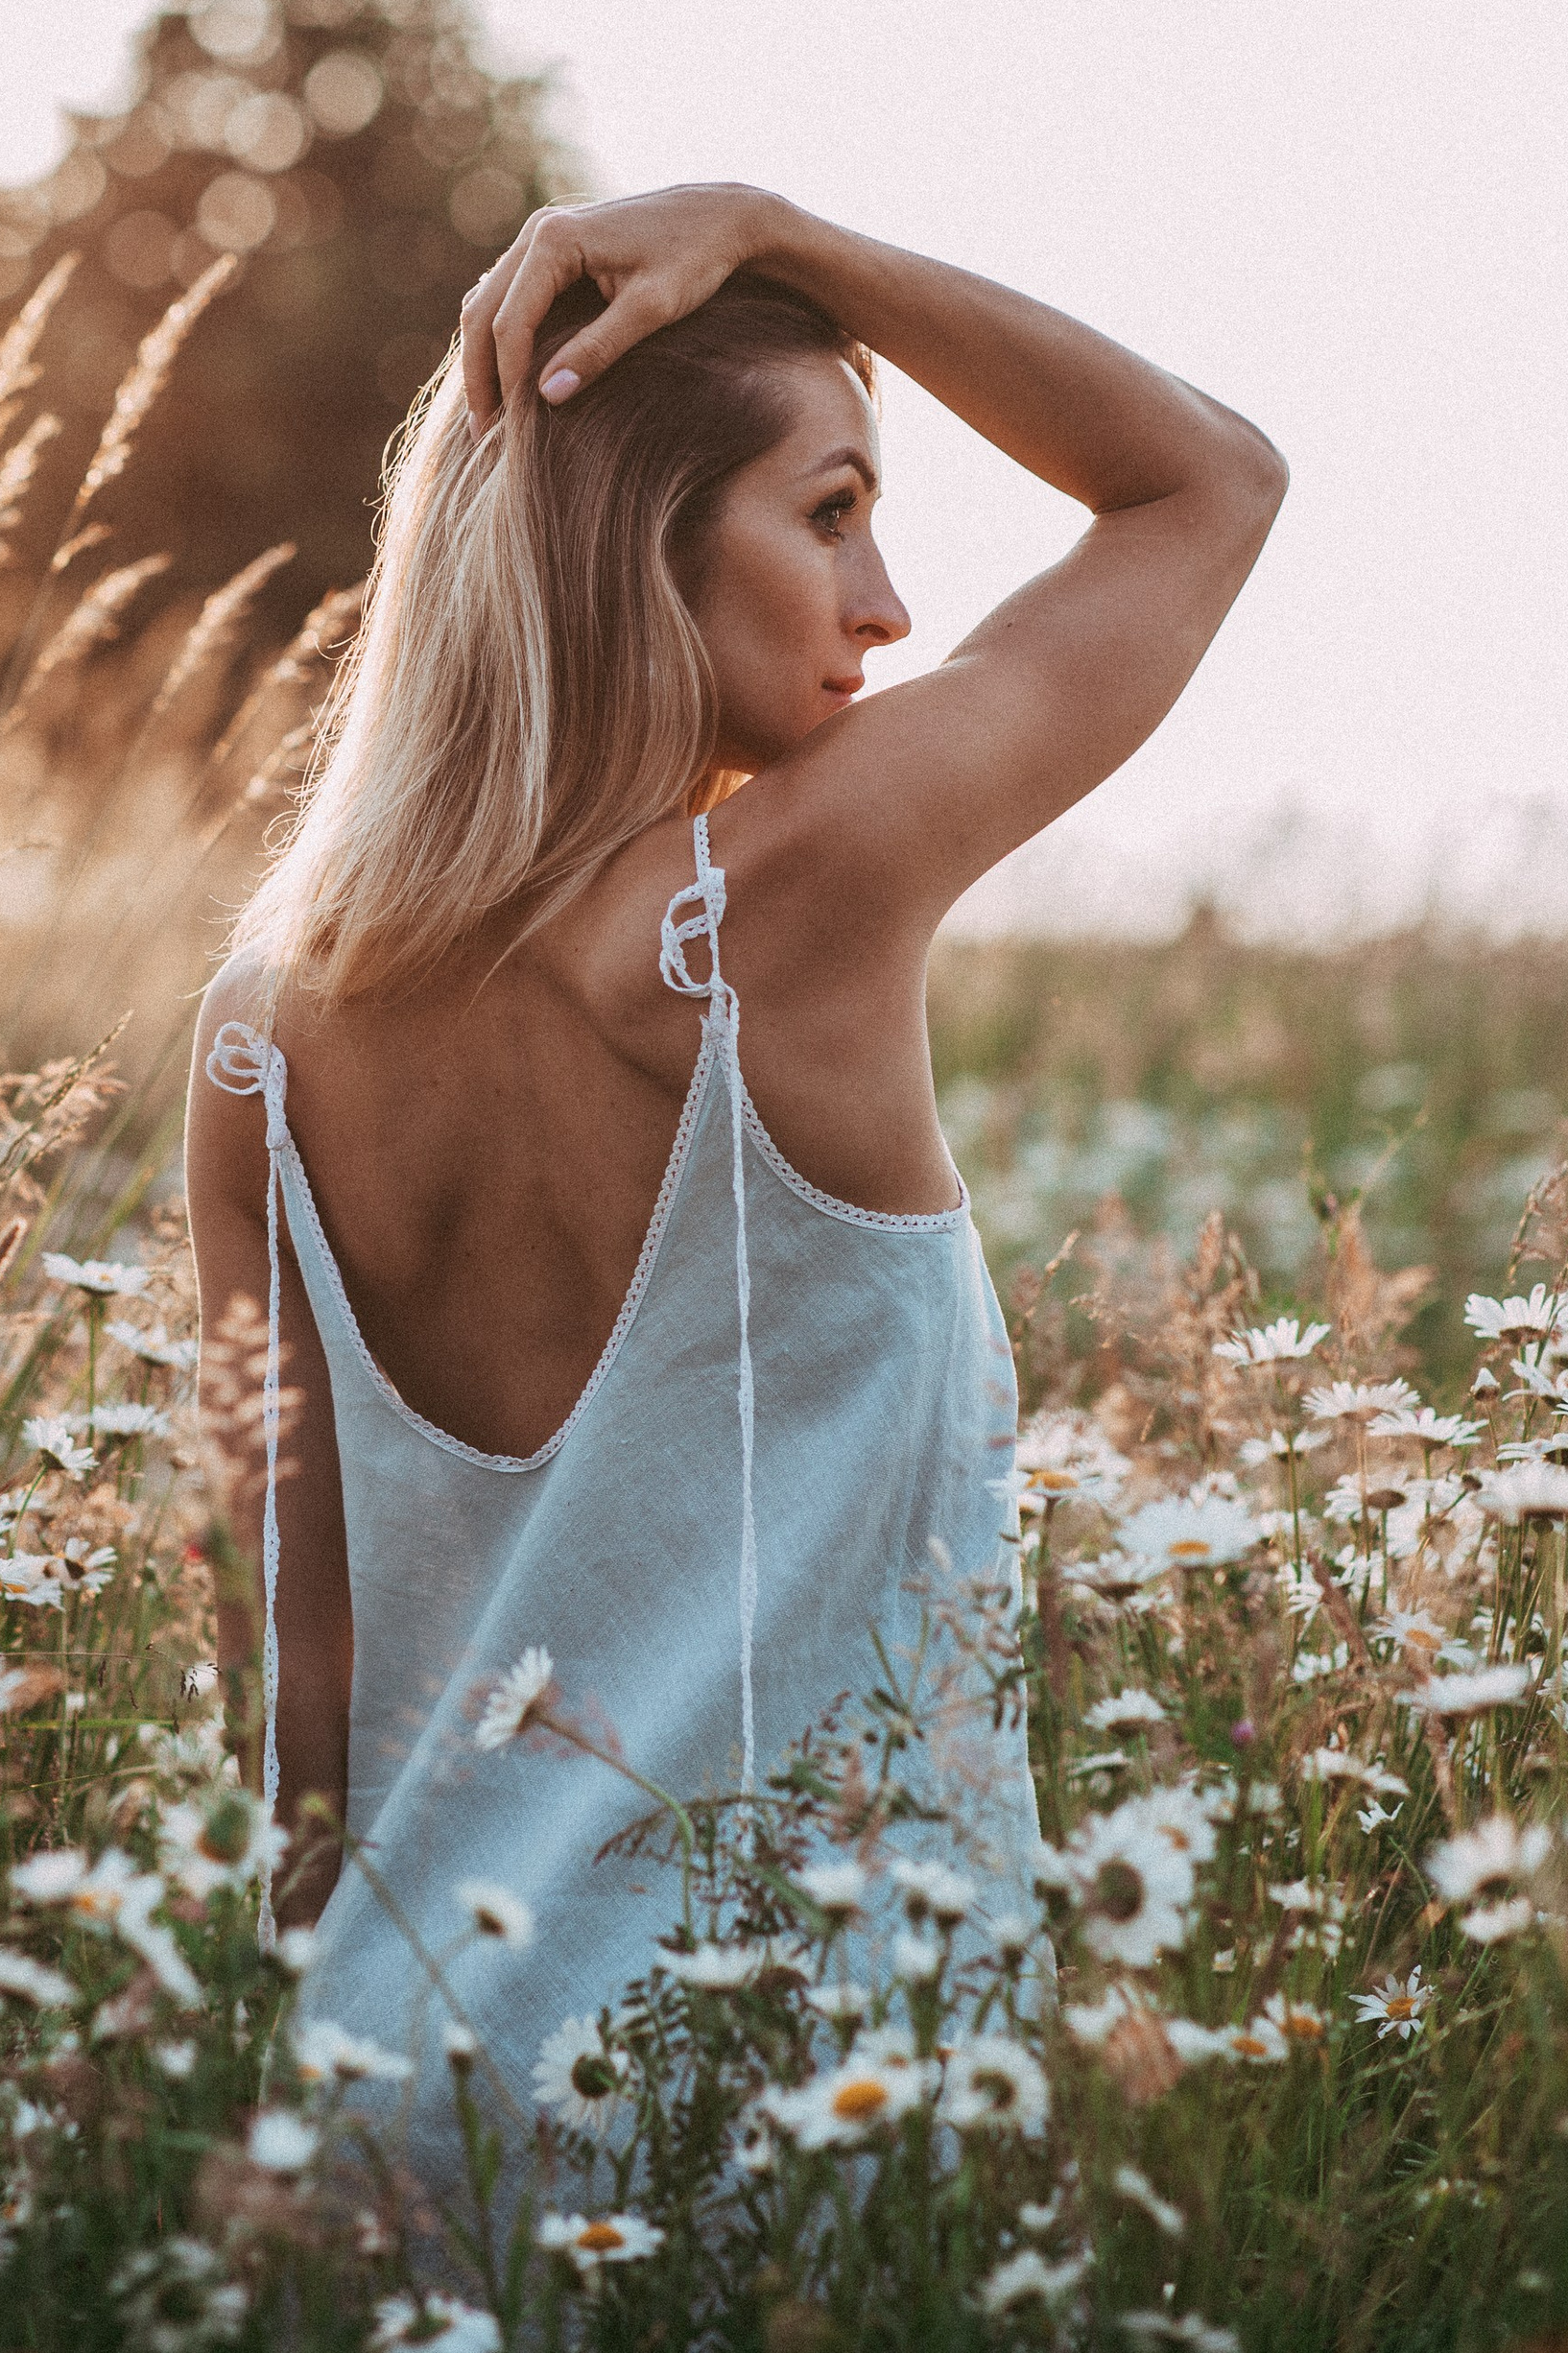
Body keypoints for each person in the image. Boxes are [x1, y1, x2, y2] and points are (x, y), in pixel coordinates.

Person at [183, 182, 1286, 2195]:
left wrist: (287, 2126)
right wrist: (803, 238)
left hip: (384, 2089)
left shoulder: (260, 1039)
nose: (884, 606)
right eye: (830, 510)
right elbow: (1201, 483)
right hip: (778, 2093)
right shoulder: (779, 897)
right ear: (637, 549)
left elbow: (299, 1673)